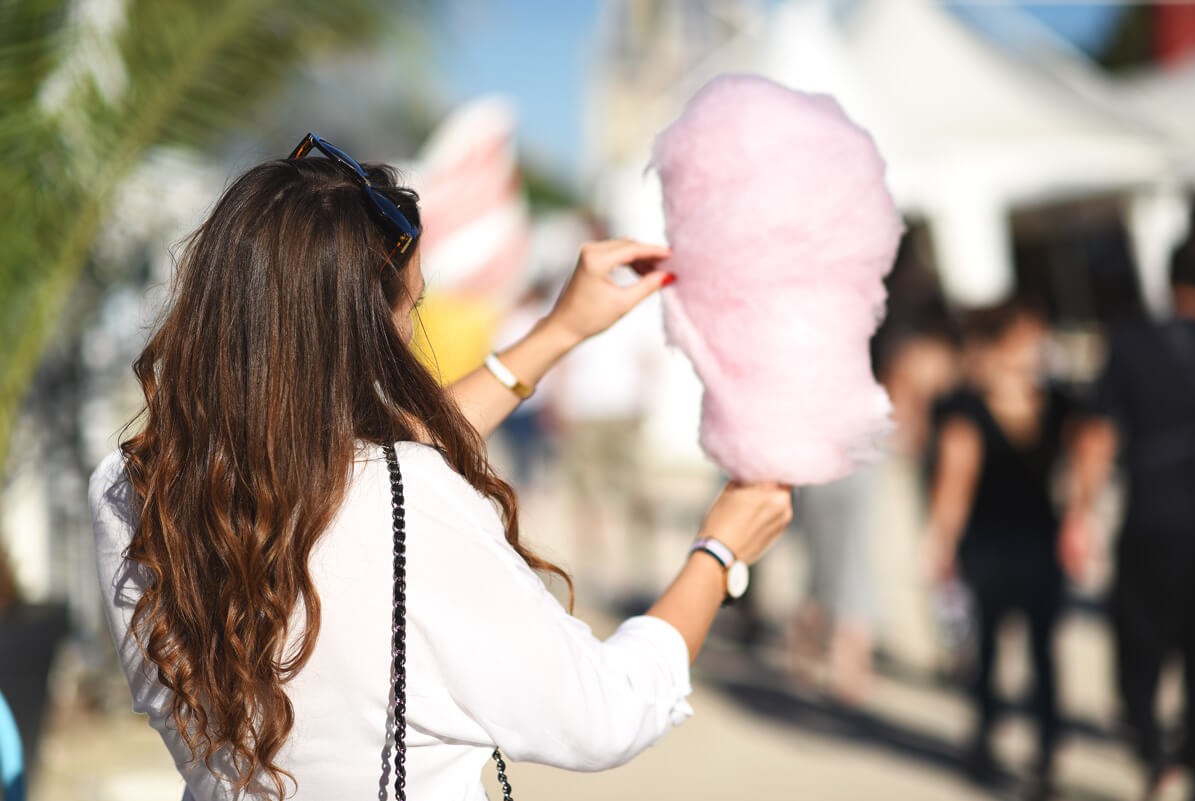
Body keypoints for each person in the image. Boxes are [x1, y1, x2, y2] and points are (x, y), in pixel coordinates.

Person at [88, 135, 793, 801]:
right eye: (410, 305)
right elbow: (606, 713)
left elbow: (346, 460)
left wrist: (560, 330)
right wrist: (719, 549)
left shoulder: (125, 488)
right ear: (357, 330)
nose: (410, 329)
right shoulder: (410, 500)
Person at [926, 301, 1088, 798]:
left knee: (1043, 652)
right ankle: (984, 740)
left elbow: (1087, 459)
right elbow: (955, 480)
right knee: (990, 649)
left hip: (1040, 540)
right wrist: (941, 543)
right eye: (1023, 340)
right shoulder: (967, 406)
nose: (1033, 351)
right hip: (988, 543)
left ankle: (1044, 749)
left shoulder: (1059, 402)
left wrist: (1081, 520)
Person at [1073, 239, 1195, 801]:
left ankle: (1154, 754)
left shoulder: (1133, 341)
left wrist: (1080, 513)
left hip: (1153, 518)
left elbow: (1097, 434)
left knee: (1141, 649)